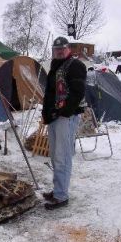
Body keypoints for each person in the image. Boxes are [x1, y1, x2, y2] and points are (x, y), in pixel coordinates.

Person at [41, 37, 87, 210]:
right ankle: (57, 190)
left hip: (67, 117)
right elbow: (50, 92)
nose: (59, 51)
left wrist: (64, 112)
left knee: (63, 156)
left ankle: (61, 196)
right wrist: (47, 113)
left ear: (69, 49)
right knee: (55, 156)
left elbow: (77, 93)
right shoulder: (55, 65)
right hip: (54, 116)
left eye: (63, 48)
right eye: (56, 48)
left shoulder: (76, 65)